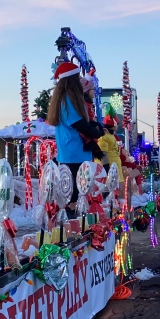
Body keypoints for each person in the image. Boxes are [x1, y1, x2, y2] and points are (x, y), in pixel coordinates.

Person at [46, 62, 103, 213]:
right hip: (73, 153)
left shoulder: (69, 99)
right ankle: (73, 228)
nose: (80, 81)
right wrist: (96, 132)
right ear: (71, 80)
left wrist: (94, 126)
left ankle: (75, 225)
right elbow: (79, 124)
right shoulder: (67, 100)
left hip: (74, 152)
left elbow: (83, 122)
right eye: (77, 78)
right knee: (74, 196)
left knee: (78, 193)